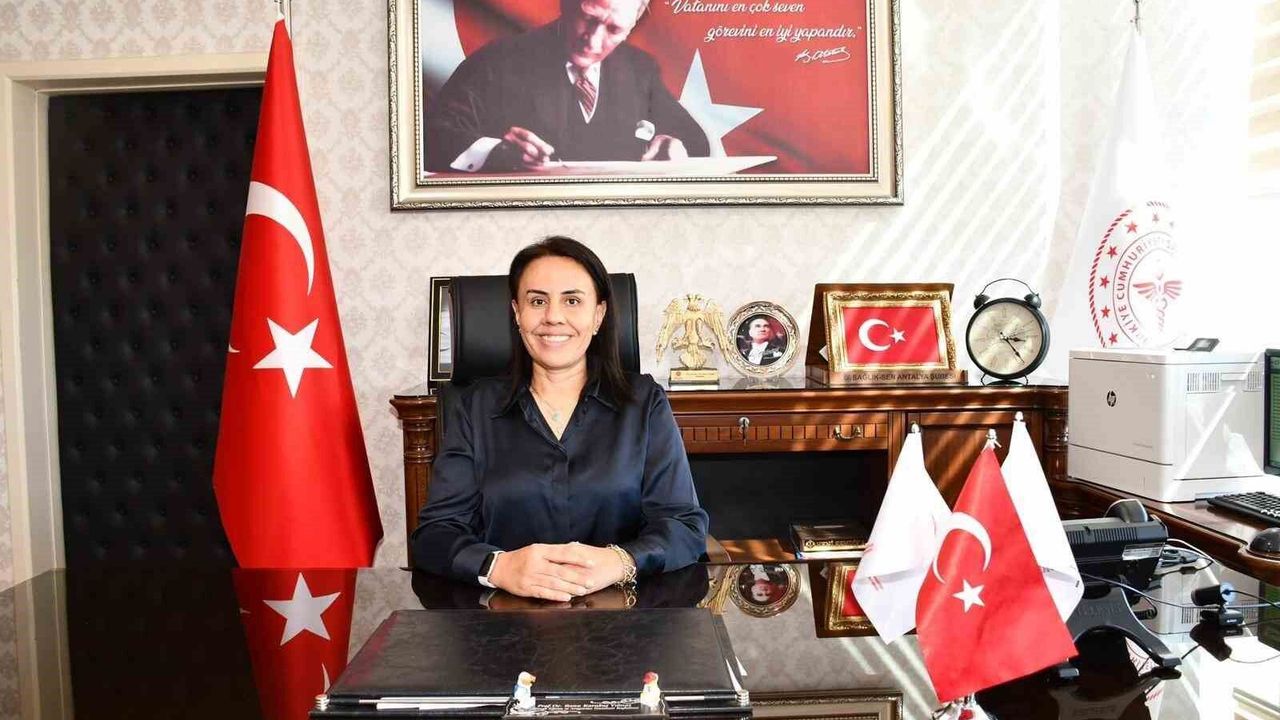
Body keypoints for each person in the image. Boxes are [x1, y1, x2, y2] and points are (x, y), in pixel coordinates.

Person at [412, 236, 709, 601]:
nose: (553, 316)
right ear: (517, 313)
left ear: (598, 315)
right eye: (537, 301)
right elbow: (436, 533)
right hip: (502, 618)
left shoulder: (644, 403)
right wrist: (498, 566)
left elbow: (684, 525)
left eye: (572, 300)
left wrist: (620, 561)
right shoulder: (475, 407)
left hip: (623, 614)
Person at [424, 0, 711, 172]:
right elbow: (432, 137)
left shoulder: (639, 69)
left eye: (614, 29)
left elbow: (694, 138)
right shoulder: (498, 61)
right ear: (567, 5)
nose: (593, 40)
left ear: (631, 27)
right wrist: (497, 151)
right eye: (588, 18)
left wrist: (675, 145)